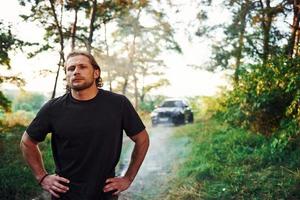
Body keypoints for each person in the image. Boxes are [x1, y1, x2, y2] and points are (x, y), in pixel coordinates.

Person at [20, 50, 150, 200]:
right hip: (65, 194)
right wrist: (42, 177)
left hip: (104, 193)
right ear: (67, 75)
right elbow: (27, 142)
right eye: (71, 68)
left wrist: (128, 178)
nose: (76, 72)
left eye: (82, 67)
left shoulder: (118, 104)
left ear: (96, 73)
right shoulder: (53, 108)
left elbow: (142, 139)